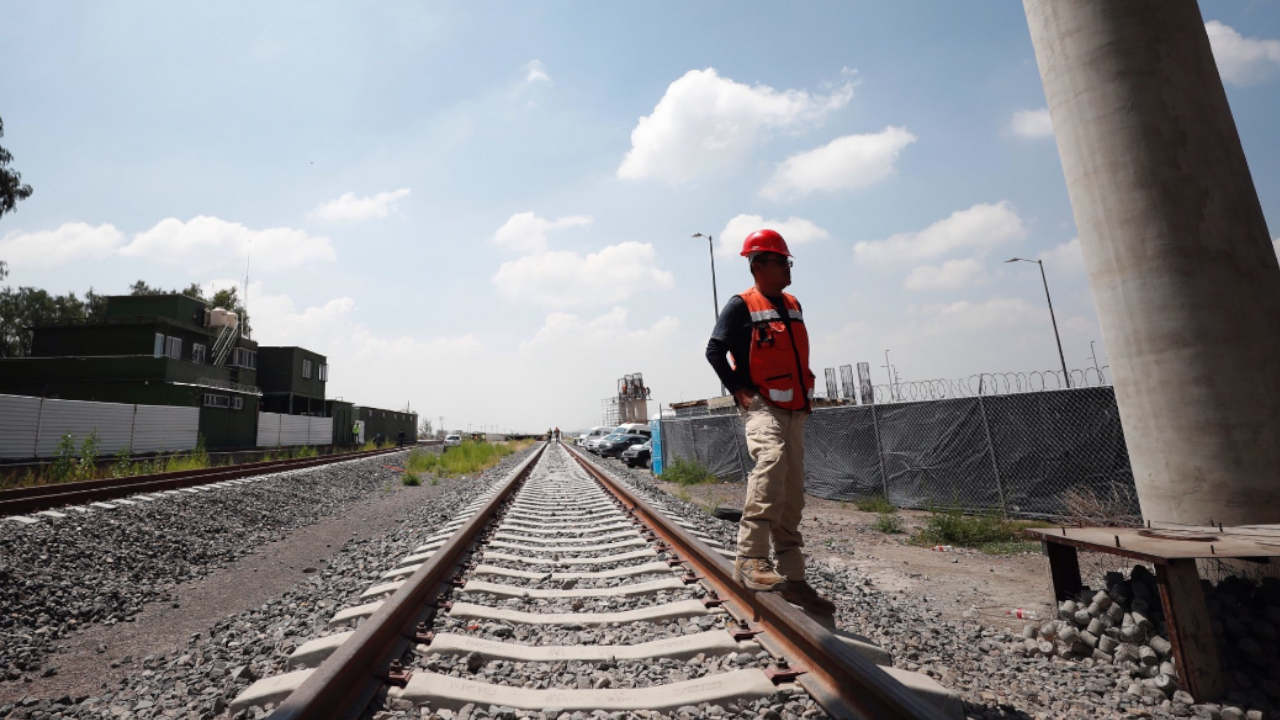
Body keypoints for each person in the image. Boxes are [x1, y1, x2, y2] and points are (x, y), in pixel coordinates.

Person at [704, 228, 834, 616]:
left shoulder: (792, 303)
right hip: (762, 404)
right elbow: (714, 350)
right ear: (759, 265)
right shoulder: (741, 304)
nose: (788, 267)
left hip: (795, 409)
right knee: (771, 461)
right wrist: (738, 389)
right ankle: (750, 557)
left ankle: (794, 580)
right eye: (782, 261)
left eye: (788, 261)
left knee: (792, 495)